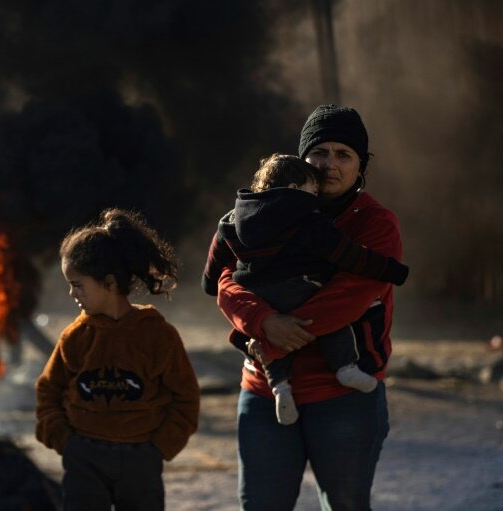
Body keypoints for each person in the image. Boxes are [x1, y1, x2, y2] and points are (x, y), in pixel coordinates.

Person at [217, 105, 403, 510]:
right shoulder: (261, 212)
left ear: (360, 166)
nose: (329, 165)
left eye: (343, 155)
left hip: (342, 396)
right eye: (319, 152)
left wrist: (273, 340)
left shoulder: (375, 223)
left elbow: (347, 298)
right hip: (264, 393)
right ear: (301, 158)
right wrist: (263, 320)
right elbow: (226, 281)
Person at [202, 153, 408, 425]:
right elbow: (346, 255)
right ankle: (345, 366)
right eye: (312, 190)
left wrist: (210, 283)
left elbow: (215, 269)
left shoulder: (232, 219)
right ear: (294, 189)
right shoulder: (305, 218)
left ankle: (280, 387)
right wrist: (393, 270)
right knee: (334, 319)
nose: (316, 196)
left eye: (343, 154)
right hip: (298, 290)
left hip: (259, 294)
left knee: (280, 338)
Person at [35, 208, 200, 511]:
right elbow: (48, 391)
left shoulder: (156, 336)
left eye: (78, 284)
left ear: (109, 283)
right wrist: (66, 442)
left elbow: (186, 398)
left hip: (141, 460)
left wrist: (159, 448)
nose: (72, 293)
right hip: (84, 459)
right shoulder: (75, 337)